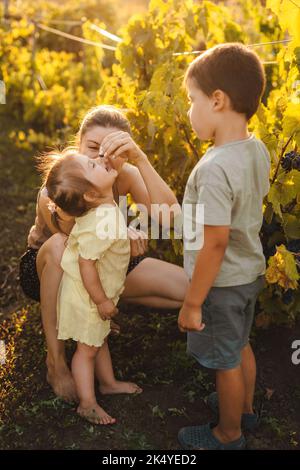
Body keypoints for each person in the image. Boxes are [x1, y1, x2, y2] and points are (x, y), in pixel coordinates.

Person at [19, 105, 188, 402]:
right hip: (52, 267)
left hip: (106, 262)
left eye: (114, 149)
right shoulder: (57, 188)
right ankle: (55, 362)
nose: (101, 157)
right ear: (78, 143)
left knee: (187, 288)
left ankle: (101, 310)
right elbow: (75, 239)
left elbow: (170, 218)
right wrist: (123, 231)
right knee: (60, 247)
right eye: (93, 147)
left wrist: (141, 160)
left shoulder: (126, 173)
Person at [177, 43, 270, 450]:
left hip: (221, 283)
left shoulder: (214, 169)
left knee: (225, 360)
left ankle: (228, 434)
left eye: (191, 100)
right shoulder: (256, 149)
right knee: (240, 343)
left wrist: (193, 301)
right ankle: (245, 408)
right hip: (249, 273)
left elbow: (215, 242)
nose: (188, 110)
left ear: (217, 100)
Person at [38, 148, 142, 425]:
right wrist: (101, 301)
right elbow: (86, 264)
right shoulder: (101, 220)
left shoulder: (103, 209)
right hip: (88, 297)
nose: (99, 160)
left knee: (98, 340)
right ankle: (87, 403)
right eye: (92, 165)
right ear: (90, 196)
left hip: (92, 293)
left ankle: (107, 383)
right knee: (87, 351)